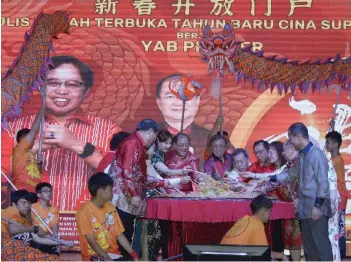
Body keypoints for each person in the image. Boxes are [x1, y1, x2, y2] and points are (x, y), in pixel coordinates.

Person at [2, 56, 122, 211]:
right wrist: (30, 150)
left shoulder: (109, 130)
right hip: (32, 224)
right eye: (52, 83)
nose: (62, 90)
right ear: (40, 87)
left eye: (72, 84)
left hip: (91, 225)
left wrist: (78, 145)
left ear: (86, 91)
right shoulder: (13, 129)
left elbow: (122, 178)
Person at [110, 119, 160, 260]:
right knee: (123, 232)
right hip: (123, 198)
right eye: (155, 136)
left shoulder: (137, 143)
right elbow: (127, 171)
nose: (154, 140)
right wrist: (134, 194)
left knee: (127, 231)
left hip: (127, 197)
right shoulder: (133, 143)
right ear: (151, 132)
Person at [142, 130, 192, 261]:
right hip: (149, 200)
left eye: (170, 143)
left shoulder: (159, 153)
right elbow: (158, 177)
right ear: (156, 141)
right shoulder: (150, 155)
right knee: (151, 235)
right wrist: (178, 178)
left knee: (159, 234)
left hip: (158, 196)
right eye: (165, 143)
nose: (168, 146)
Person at [288, 122, 333, 261]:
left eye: (291, 138)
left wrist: (317, 205)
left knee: (321, 247)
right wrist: (264, 178)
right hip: (305, 209)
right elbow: (290, 175)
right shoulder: (302, 156)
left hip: (316, 209)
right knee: (309, 250)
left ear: (299, 137)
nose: (290, 142)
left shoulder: (316, 154)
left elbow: (323, 182)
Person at [76, 173, 138, 261]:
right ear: (100, 191)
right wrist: (108, 259)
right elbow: (92, 242)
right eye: (110, 189)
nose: (112, 192)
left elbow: (119, 236)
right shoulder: (83, 212)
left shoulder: (111, 208)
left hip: (114, 254)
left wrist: (134, 255)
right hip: (93, 256)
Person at [156, 74, 209, 164]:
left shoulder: (208, 136)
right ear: (159, 103)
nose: (179, 102)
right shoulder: (154, 135)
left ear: (197, 101)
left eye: (186, 96)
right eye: (170, 96)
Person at [1, 190, 65, 261]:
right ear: (14, 204)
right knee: (28, 236)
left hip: (15, 244)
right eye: (23, 203)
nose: (27, 206)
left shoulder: (26, 219)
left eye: (29, 203)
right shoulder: (12, 209)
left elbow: (35, 237)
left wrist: (60, 242)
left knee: (51, 242)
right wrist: (35, 229)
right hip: (4, 242)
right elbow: (13, 230)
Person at [11, 89, 46, 192]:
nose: (33, 140)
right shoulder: (20, 149)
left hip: (33, 192)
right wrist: (44, 103)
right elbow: (35, 129)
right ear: (22, 139)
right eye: (30, 137)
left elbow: (37, 175)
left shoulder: (29, 154)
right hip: (22, 191)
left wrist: (39, 164)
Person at [326, 130, 346, 259]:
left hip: (339, 197)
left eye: (328, 142)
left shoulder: (336, 160)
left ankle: (340, 254)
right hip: (338, 196)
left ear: (335, 143)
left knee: (339, 229)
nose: (326, 145)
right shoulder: (334, 158)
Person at [31, 182, 60, 255]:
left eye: (50, 191)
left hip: (48, 237)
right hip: (35, 237)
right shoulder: (32, 207)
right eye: (45, 191)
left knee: (56, 243)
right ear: (38, 194)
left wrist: (55, 233)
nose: (49, 193)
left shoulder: (54, 209)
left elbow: (54, 224)